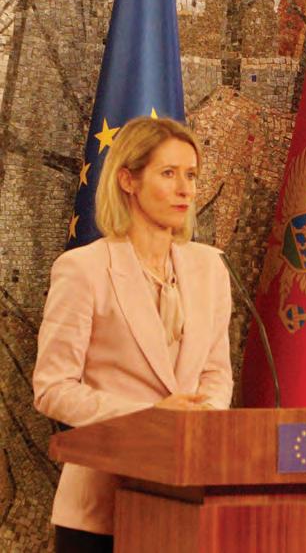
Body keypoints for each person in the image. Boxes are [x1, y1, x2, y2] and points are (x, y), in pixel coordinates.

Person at [33, 117, 234, 553]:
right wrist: (151, 419)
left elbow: (216, 373)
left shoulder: (211, 268)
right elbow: (53, 389)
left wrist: (201, 420)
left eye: (191, 175)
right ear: (128, 180)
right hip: (99, 511)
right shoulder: (84, 269)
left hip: (186, 504)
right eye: (168, 174)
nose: (185, 190)